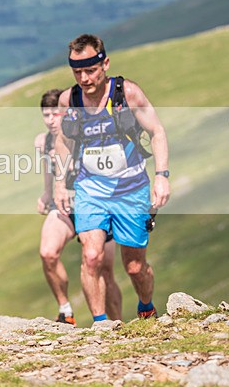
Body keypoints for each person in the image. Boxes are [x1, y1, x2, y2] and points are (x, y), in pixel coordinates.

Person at [54, 34, 170, 323]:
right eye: (77, 71)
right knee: (92, 257)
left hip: (131, 189)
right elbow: (63, 141)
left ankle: (146, 307)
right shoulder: (70, 100)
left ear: (104, 63)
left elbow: (157, 132)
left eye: (90, 70)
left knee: (134, 266)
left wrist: (162, 177)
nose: (84, 78)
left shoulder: (127, 93)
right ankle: (100, 324)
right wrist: (59, 182)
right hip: (90, 189)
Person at [36, 89, 122, 325]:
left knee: (104, 271)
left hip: (95, 204)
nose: (51, 120)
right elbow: (48, 169)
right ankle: (65, 311)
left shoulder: (85, 134)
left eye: (56, 113)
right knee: (47, 253)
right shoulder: (43, 142)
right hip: (64, 207)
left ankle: (116, 326)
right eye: (46, 115)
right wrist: (46, 191)